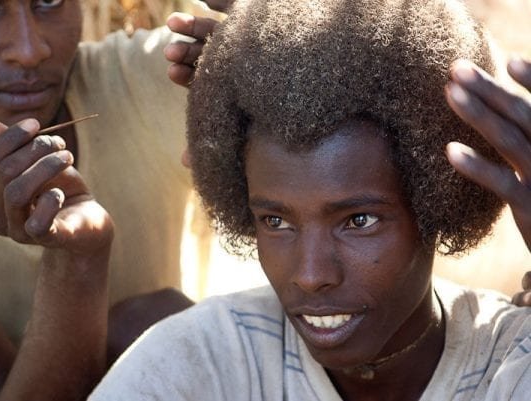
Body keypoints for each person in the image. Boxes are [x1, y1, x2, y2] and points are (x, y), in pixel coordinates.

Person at [87, 0, 531, 399]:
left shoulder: (509, 364)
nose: (310, 275)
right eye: (276, 221)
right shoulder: (198, 362)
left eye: (358, 221)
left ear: (441, 200)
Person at [0, 0, 227, 399]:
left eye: (49, 1)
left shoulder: (146, 77)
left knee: (151, 322)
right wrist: (78, 262)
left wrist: (267, 58)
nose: (30, 49)